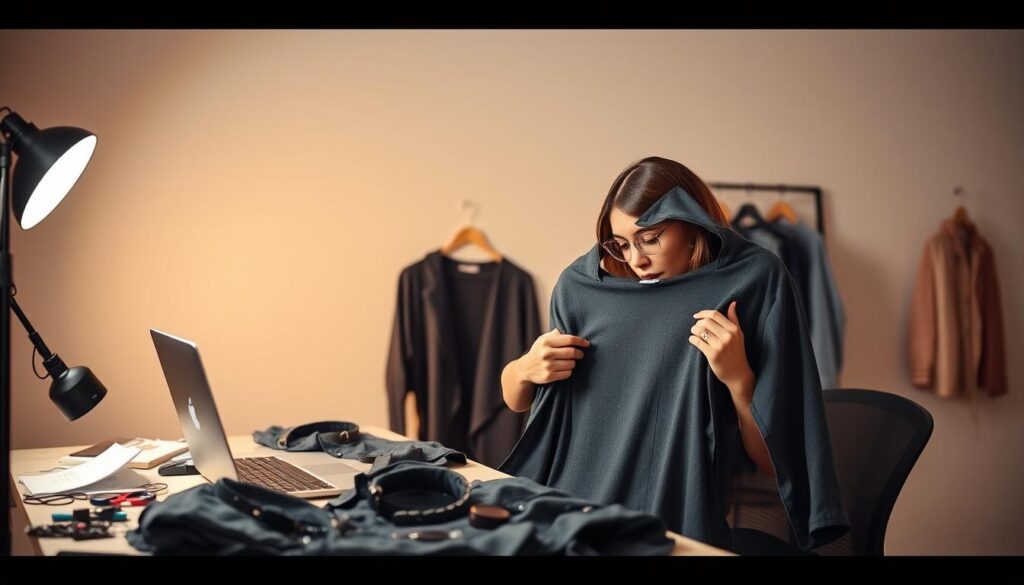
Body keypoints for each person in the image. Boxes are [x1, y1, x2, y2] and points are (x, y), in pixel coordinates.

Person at [498, 156, 848, 552]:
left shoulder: (754, 280)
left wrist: (739, 381)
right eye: (622, 243)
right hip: (568, 513)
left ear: (692, 222)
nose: (636, 259)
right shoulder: (582, 287)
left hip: (674, 521)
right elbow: (518, 400)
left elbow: (773, 463)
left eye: (650, 238)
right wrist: (523, 369)